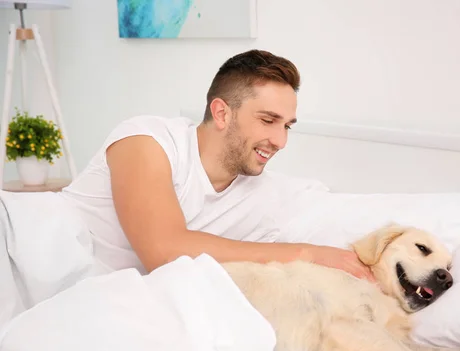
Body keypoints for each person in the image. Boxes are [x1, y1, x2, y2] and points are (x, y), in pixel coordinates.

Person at [59, 49, 375, 282]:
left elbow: (338, 208)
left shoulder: (264, 193)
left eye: (287, 126)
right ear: (222, 113)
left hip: (94, 299)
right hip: (27, 257)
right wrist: (309, 254)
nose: (280, 141)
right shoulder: (147, 141)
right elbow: (164, 251)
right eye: (268, 120)